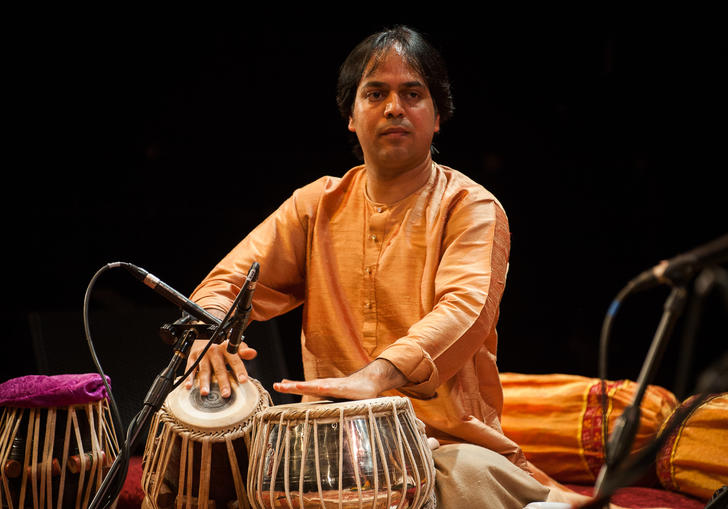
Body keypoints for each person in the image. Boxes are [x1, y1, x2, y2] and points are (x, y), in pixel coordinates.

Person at [184, 26, 554, 508]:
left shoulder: (470, 207)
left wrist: (378, 377)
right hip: (327, 443)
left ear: (437, 116)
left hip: (443, 444)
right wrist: (207, 331)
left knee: (469, 483)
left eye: (413, 94)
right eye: (375, 93)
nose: (394, 108)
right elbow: (228, 281)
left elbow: (466, 309)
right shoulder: (316, 205)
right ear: (351, 117)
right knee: (203, 469)